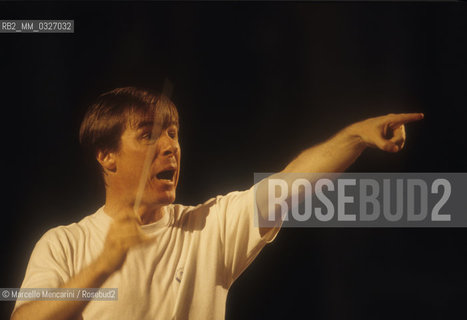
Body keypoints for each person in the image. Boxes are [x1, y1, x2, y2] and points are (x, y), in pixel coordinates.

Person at [11, 87, 424, 320]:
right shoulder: (65, 243)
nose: (171, 146)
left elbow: (291, 182)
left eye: (174, 133)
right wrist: (104, 263)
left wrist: (355, 136)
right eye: (150, 134)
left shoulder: (208, 227)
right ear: (107, 156)